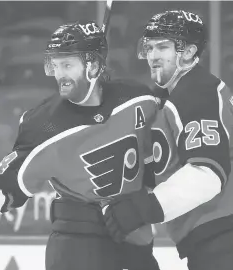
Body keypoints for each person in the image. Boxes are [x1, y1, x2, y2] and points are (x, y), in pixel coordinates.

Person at [0, 20, 160, 270]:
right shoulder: (45, 125)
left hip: (135, 239)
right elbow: (2, 189)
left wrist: (147, 205)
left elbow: (157, 161)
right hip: (79, 244)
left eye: (67, 65)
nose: (59, 75)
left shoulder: (139, 99)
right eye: (55, 65)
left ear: (95, 66)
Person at [102, 9, 233, 270]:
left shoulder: (199, 92)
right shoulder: (172, 100)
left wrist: (142, 208)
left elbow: (207, 174)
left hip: (224, 237)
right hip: (210, 240)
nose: (152, 56)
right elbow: (162, 169)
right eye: (149, 47)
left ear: (189, 52)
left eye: (162, 47)